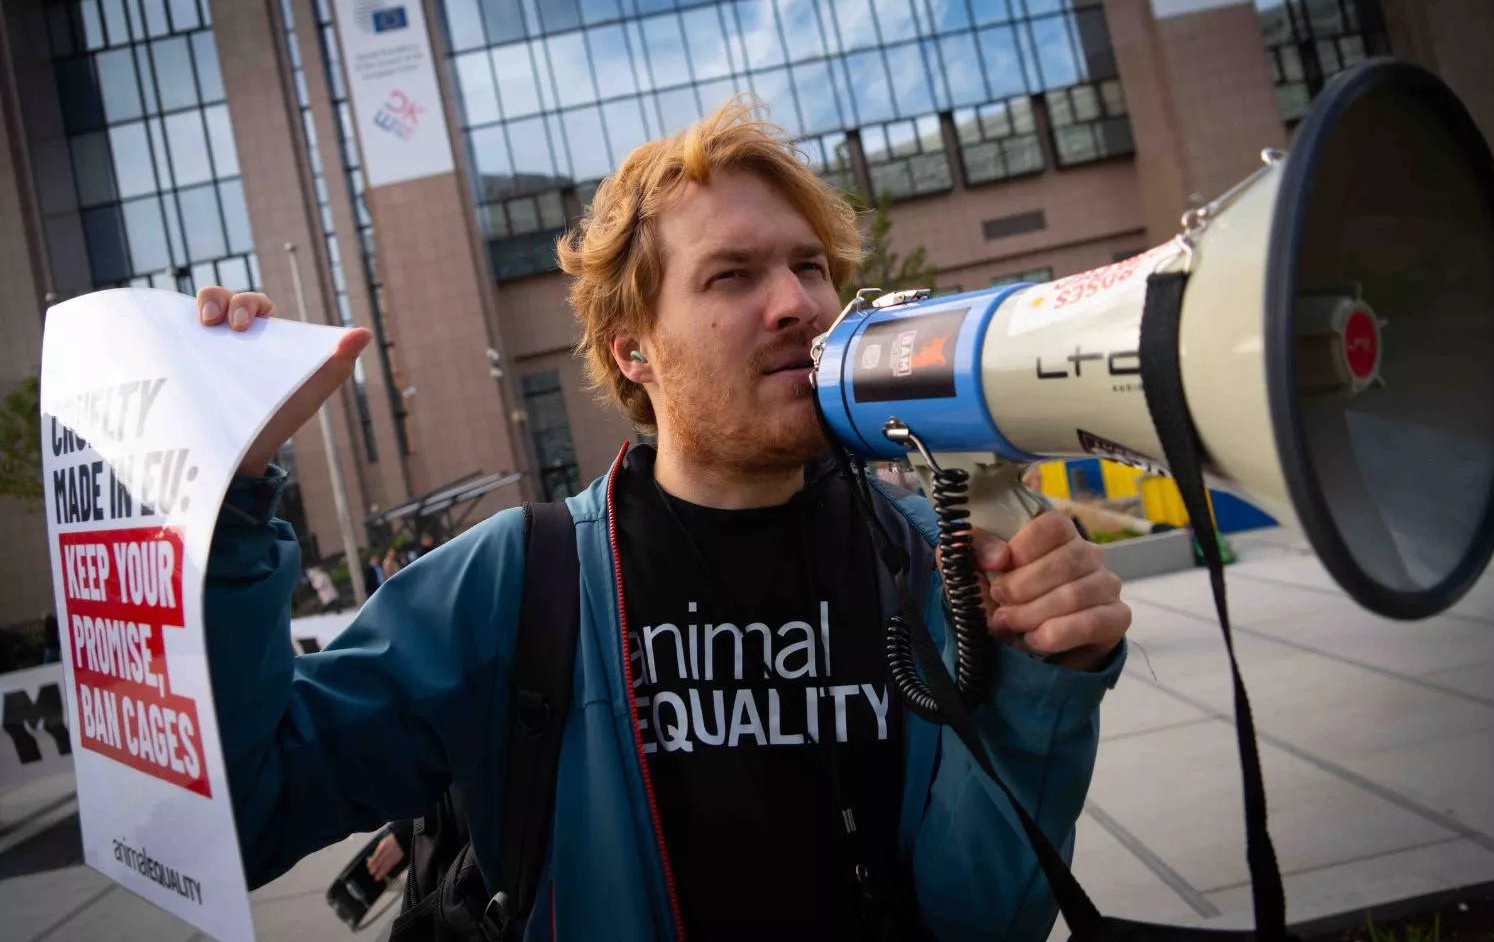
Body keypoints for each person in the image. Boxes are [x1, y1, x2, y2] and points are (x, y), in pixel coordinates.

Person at [199, 97, 1130, 941]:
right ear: (633, 350)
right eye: (732, 276)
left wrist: (1043, 681)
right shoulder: (515, 584)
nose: (797, 304)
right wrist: (232, 494)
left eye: (810, 266)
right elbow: (247, 812)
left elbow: (977, 920)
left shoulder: (934, 561)